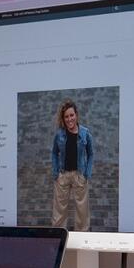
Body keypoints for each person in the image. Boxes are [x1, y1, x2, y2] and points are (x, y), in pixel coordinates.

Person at [50, 99, 94, 231]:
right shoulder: (59, 134)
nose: (70, 119)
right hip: (63, 175)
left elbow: (90, 154)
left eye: (72, 115)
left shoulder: (85, 133)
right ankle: (58, 235)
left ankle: (81, 236)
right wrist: (55, 172)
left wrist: (87, 173)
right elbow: (54, 153)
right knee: (59, 211)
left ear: (76, 115)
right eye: (66, 116)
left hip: (79, 175)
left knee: (82, 211)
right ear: (63, 119)